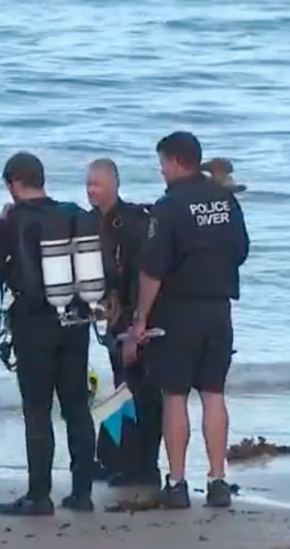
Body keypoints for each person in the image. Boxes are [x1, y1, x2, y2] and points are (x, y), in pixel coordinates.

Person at [124, 132, 250, 509]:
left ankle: (177, 483)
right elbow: (241, 250)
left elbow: (152, 270)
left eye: (163, 163)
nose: (161, 171)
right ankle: (217, 480)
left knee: (174, 395)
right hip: (218, 309)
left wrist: (140, 320)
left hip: (178, 311)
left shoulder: (169, 206)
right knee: (213, 394)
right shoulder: (225, 199)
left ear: (178, 162)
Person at [0, 152, 97, 516]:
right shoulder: (73, 213)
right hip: (76, 321)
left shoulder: (14, 221)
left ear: (13, 183)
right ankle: (82, 493)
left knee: (38, 410)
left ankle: (39, 495)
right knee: (76, 407)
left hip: (33, 323)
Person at [85, 158, 162, 487]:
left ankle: (143, 465)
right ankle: (114, 458)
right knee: (115, 387)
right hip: (103, 317)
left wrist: (133, 321)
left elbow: (143, 272)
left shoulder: (133, 221)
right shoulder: (86, 221)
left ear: (114, 185)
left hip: (133, 316)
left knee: (139, 390)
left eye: (97, 184)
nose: (91, 191)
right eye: (88, 184)